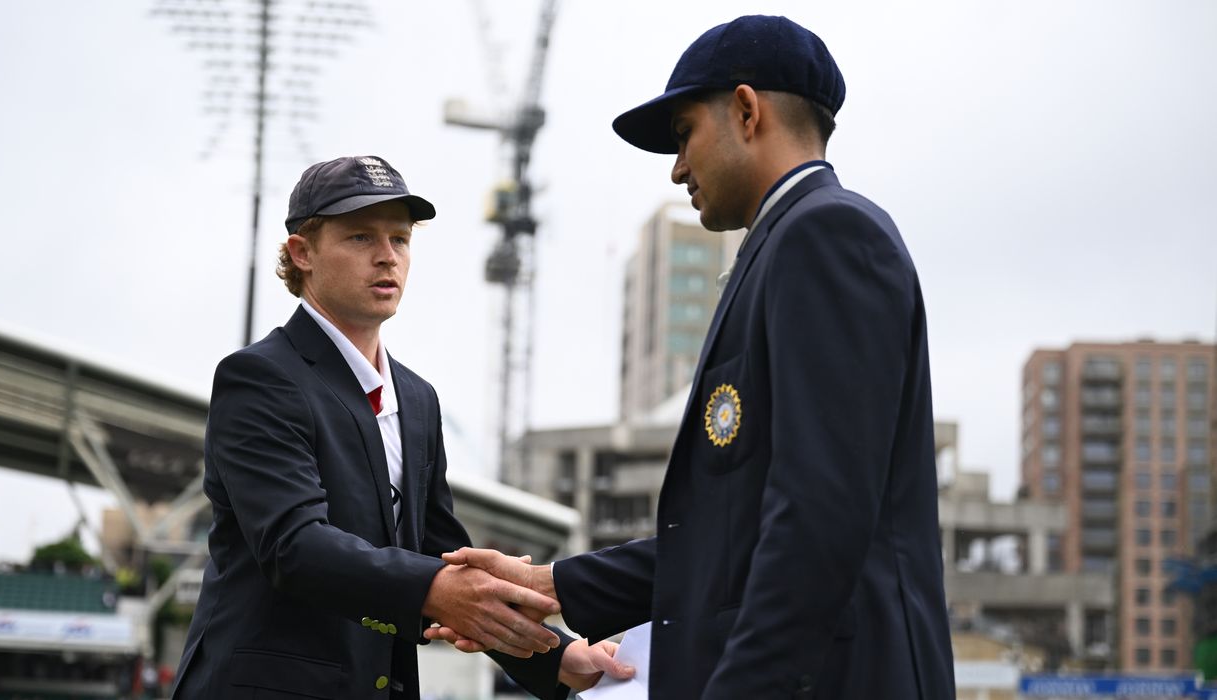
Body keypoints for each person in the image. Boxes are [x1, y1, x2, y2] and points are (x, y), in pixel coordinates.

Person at [432, 15, 955, 699]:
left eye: (683, 134)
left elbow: (817, 519)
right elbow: (726, 540)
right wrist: (548, 584)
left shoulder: (825, 235)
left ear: (745, 110)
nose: (677, 167)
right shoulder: (780, 248)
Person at [171, 155, 630, 699]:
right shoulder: (260, 377)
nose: (387, 256)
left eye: (401, 238)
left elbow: (443, 558)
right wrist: (437, 587)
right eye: (361, 237)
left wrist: (556, 653)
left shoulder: (417, 398)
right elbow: (294, 546)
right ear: (303, 253)